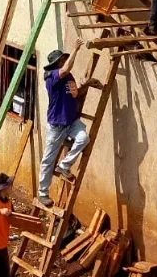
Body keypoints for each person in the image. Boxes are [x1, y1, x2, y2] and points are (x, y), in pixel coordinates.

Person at [37, 39, 99, 207]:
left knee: (83, 138)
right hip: (57, 125)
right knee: (48, 159)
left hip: (71, 121)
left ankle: (64, 166)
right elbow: (65, 70)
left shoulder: (68, 77)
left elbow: (75, 94)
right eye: (63, 59)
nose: (65, 61)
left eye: (66, 58)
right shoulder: (52, 77)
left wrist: (88, 84)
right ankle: (43, 193)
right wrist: (76, 49)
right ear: (57, 63)